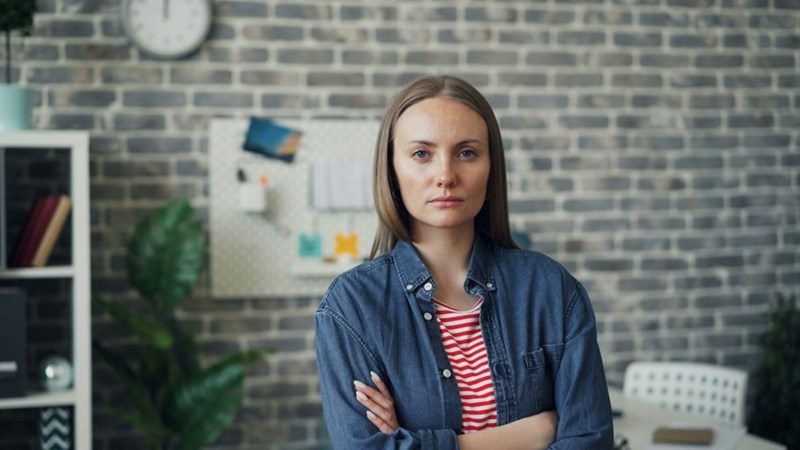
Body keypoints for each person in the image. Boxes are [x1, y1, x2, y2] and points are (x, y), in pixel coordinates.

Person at [315, 75, 614, 449]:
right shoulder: (352, 306)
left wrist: (413, 442)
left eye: (467, 152)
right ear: (391, 169)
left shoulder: (551, 288)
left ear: (491, 167)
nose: (445, 176)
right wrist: (533, 433)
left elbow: (590, 440)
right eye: (421, 154)